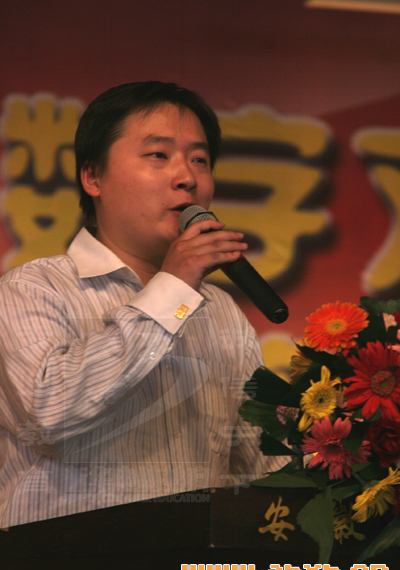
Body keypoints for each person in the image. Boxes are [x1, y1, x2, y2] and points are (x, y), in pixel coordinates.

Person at [0, 82, 285, 527]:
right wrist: (174, 288)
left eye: (199, 159)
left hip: (192, 560)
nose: (186, 177)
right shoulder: (32, 289)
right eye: (158, 155)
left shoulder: (221, 310)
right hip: (63, 560)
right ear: (93, 177)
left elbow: (263, 464)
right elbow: (49, 416)